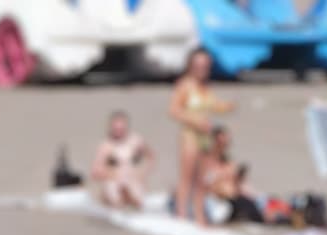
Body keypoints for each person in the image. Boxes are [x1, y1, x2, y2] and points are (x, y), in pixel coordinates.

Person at [167, 48, 231, 224]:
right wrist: (195, 121)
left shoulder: (205, 86)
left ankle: (200, 215)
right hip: (190, 136)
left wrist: (226, 106)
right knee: (187, 178)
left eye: (205, 66)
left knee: (202, 180)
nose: (202, 69)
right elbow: (173, 110)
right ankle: (181, 214)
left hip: (205, 137)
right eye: (198, 66)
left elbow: (212, 105)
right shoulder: (185, 85)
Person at [90, 109, 153, 211]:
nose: (119, 132)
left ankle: (129, 198)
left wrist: (142, 173)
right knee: (115, 197)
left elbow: (150, 157)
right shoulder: (106, 145)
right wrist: (111, 174)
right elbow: (95, 171)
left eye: (122, 129)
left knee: (137, 199)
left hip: (132, 178)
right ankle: (111, 198)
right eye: (116, 129)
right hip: (114, 179)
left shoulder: (136, 140)